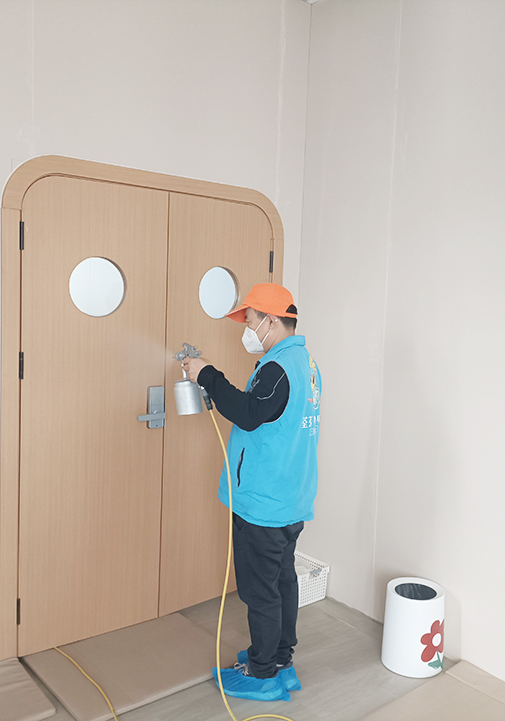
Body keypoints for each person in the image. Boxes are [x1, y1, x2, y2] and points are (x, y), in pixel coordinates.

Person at [182, 282, 321, 703]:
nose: (247, 328)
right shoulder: (304, 362)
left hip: (264, 503)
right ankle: (280, 660)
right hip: (289, 497)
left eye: (251, 320)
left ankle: (262, 674)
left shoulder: (278, 368)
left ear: (272, 321)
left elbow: (247, 413)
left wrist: (206, 374)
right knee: (282, 582)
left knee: (261, 591)